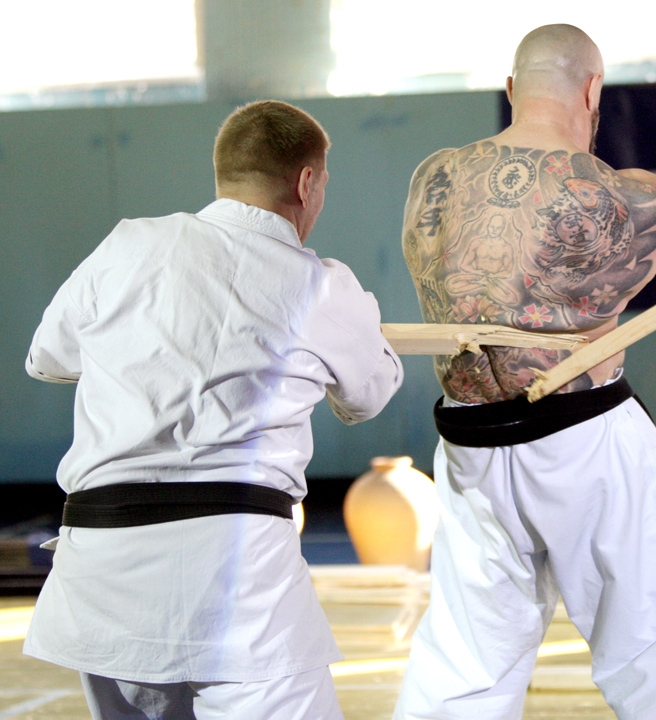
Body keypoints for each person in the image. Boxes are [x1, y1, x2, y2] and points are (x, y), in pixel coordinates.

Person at [394, 24, 656, 720]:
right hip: (582, 436)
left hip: (471, 444)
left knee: (465, 664)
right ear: (593, 92)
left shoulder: (433, 179)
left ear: (511, 89)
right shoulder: (623, 197)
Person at [24, 100, 403, 720]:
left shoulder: (126, 245)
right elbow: (369, 396)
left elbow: (47, 358)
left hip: (103, 570)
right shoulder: (321, 284)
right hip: (236, 573)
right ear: (307, 182)